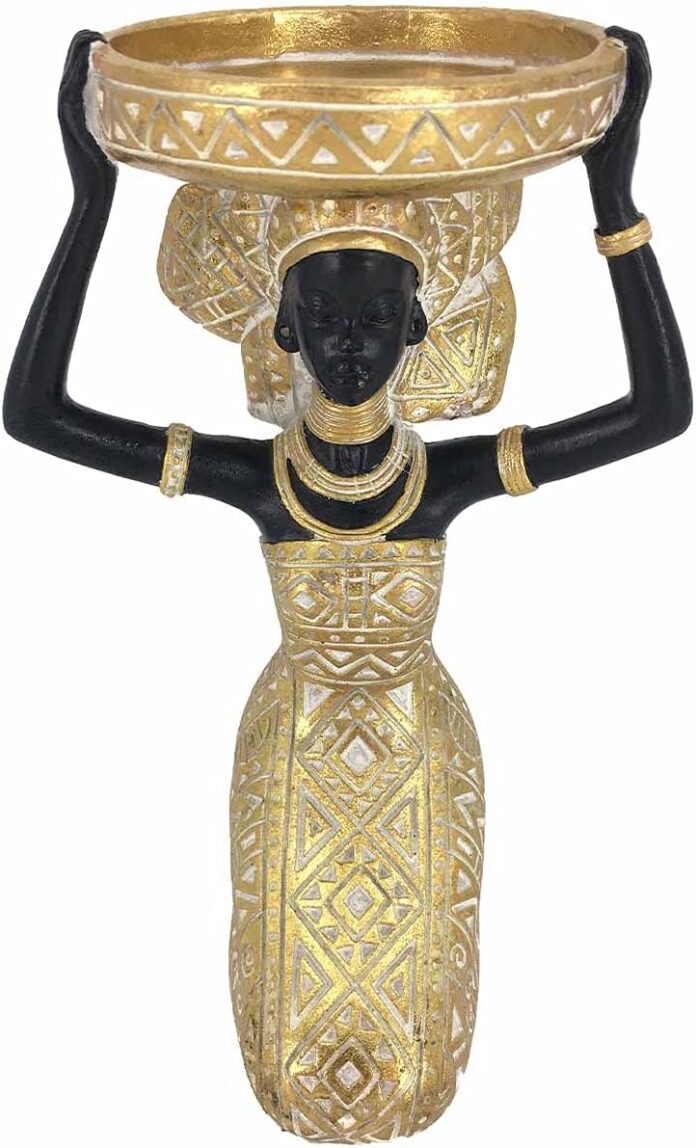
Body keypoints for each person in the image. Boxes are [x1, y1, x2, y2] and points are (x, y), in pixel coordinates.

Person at [3, 27, 691, 1141]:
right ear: (284, 326)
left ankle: (413, 1094)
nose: (351, 346)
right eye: (325, 319)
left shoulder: (443, 481)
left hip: (421, 739)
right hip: (298, 739)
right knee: (286, 954)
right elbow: (35, 415)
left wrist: (615, 201)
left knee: (423, 962)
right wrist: (90, 202)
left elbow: (659, 412)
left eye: (375, 320)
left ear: (418, 327)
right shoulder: (261, 479)